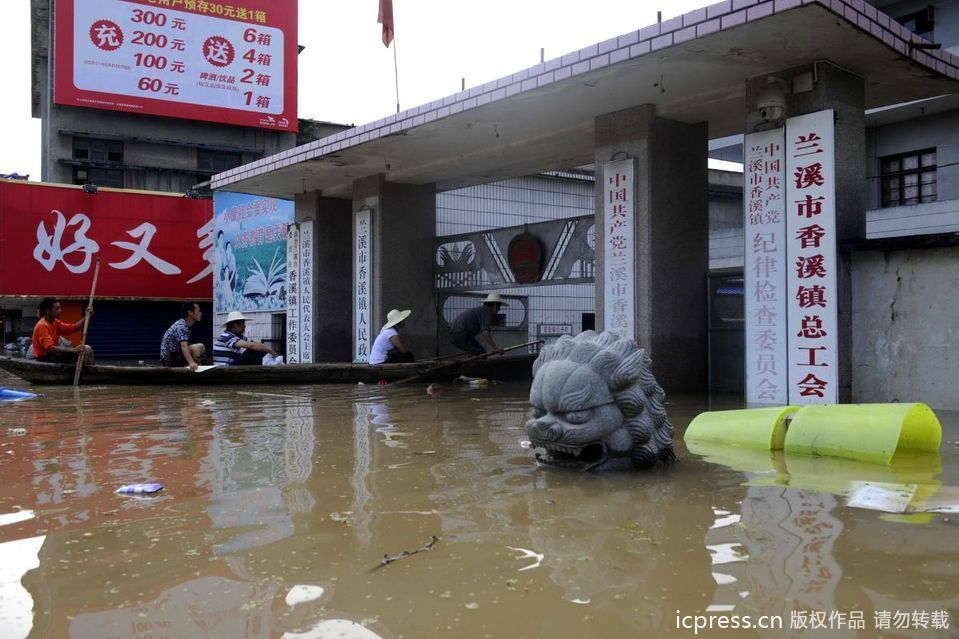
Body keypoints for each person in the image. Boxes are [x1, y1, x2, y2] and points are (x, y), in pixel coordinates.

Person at [31, 297, 95, 364]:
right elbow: (50, 348)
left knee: (87, 349)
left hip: (53, 354)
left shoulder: (55, 322)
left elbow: (74, 328)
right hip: (45, 357)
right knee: (82, 352)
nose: (60, 310)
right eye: (57, 308)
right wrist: (72, 350)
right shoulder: (42, 325)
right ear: (48, 311)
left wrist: (87, 316)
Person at [213, 311, 278, 366]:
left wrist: (268, 352)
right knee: (251, 351)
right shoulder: (226, 336)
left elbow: (255, 344)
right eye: (242, 324)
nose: (244, 326)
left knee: (257, 350)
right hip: (223, 368)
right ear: (235, 325)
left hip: (230, 366)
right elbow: (251, 345)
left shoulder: (237, 336)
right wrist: (271, 351)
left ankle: (270, 364)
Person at [160, 302, 206, 371]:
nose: (201, 313)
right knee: (198, 347)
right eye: (198, 311)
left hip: (174, 356)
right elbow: (184, 346)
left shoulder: (185, 324)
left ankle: (200, 370)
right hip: (169, 359)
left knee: (198, 348)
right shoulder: (182, 326)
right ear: (190, 312)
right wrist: (191, 363)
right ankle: (198, 371)